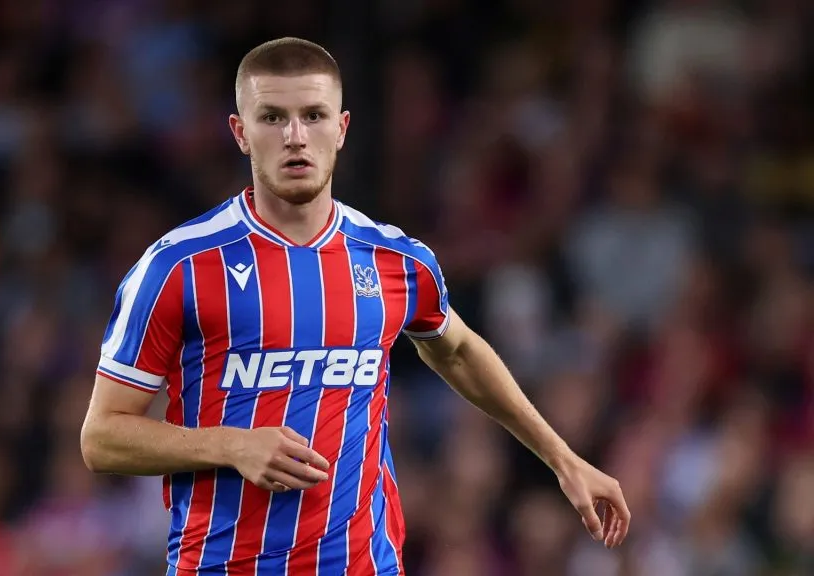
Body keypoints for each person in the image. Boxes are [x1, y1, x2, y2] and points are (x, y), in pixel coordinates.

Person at [80, 37, 631, 575]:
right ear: (240, 132)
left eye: (314, 115)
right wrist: (230, 445)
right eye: (272, 117)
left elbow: (458, 350)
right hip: (222, 564)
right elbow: (102, 437)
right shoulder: (180, 266)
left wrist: (563, 458)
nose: (296, 137)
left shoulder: (394, 259)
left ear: (341, 129)